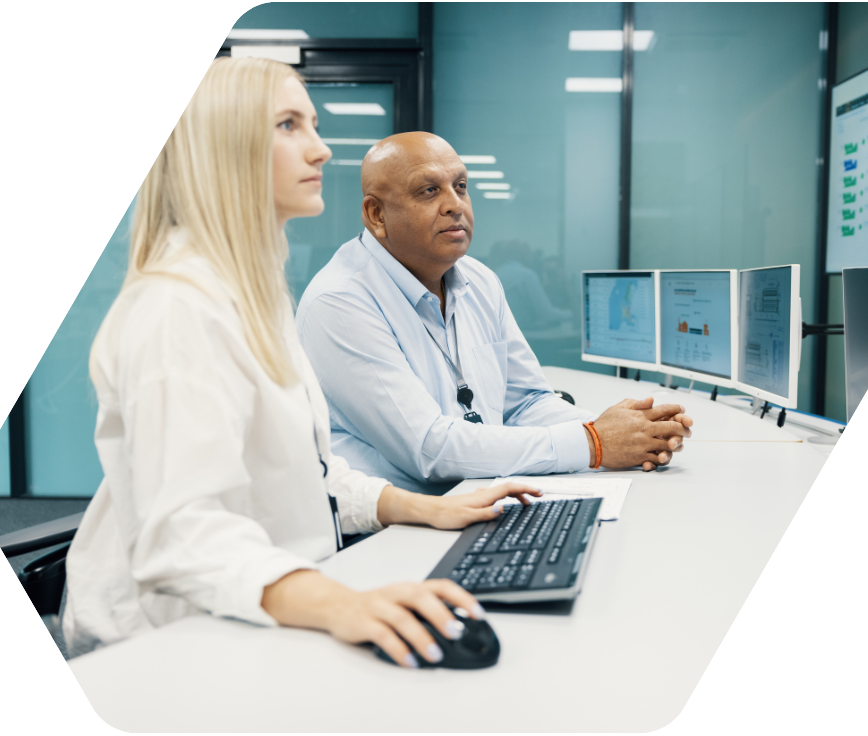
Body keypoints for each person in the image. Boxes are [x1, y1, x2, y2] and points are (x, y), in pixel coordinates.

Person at [62, 58, 540, 667]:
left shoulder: (252, 292)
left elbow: (309, 471)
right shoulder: (178, 309)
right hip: (165, 644)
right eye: (289, 125)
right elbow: (183, 534)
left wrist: (427, 507)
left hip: (263, 601)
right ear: (223, 149)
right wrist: (343, 605)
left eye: (312, 124)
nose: (321, 150)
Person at [296, 132, 693, 496]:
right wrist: (594, 442)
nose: (455, 205)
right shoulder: (340, 301)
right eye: (429, 190)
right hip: (394, 530)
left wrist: (630, 432)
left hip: (482, 497)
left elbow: (526, 402)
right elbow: (429, 448)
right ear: (377, 215)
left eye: (460, 186)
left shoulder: (480, 281)